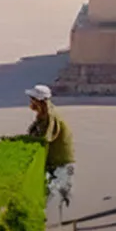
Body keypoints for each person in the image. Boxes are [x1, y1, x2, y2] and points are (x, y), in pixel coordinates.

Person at [27, 85, 76, 213]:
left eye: (32, 99)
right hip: (53, 160)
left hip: (61, 162)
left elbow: (45, 138)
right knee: (48, 190)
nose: (30, 101)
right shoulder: (42, 115)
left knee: (54, 192)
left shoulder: (50, 116)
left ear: (39, 101)